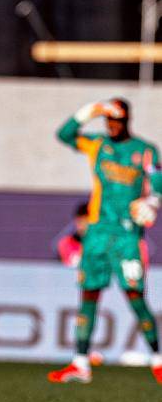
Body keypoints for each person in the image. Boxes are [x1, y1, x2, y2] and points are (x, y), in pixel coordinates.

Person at [48, 98, 162, 384]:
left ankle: (158, 360)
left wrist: (153, 201)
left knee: (135, 296)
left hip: (127, 235)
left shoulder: (145, 151)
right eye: (108, 120)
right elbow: (64, 135)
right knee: (89, 294)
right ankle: (81, 363)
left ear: (127, 120)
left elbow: (157, 183)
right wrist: (91, 110)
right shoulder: (97, 144)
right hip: (97, 233)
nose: (112, 125)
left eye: (117, 120)